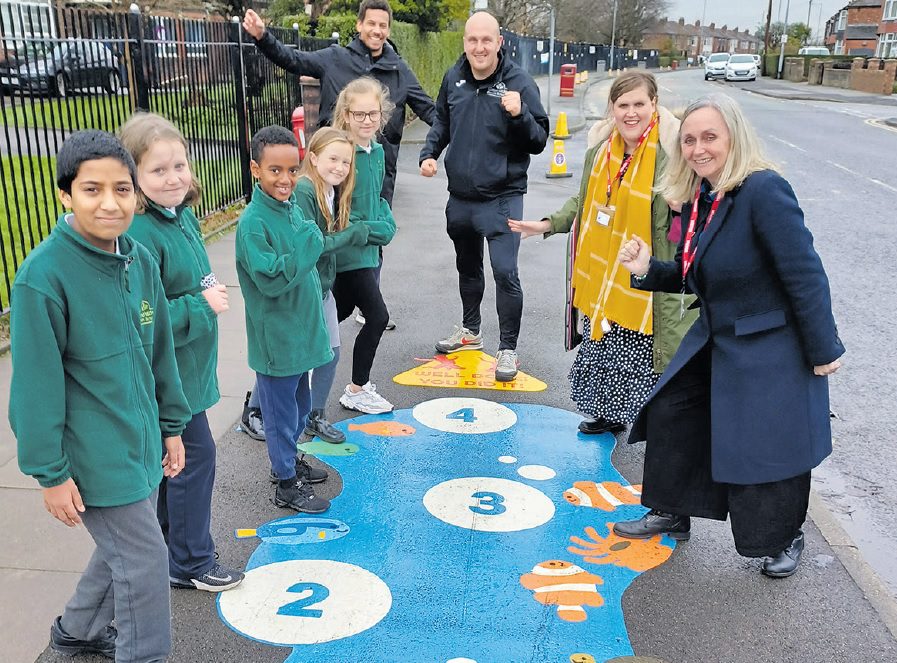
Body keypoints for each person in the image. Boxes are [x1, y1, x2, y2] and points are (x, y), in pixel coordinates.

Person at [614, 94, 844, 578]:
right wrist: (646, 269)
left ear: (734, 138)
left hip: (768, 346)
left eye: (710, 137)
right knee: (673, 410)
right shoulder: (706, 196)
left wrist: (824, 350)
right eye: (690, 139)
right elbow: (698, 271)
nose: (699, 148)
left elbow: (805, 275)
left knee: (768, 447)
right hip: (718, 336)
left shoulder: (763, 190)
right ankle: (672, 511)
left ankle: (784, 537)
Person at [9, 130, 191, 660]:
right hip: (92, 455)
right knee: (143, 562)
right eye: (91, 190)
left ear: (136, 194)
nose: (109, 203)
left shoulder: (138, 259)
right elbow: (35, 388)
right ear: (65, 195)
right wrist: (52, 472)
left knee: (126, 547)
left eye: (122, 189)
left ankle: (80, 629)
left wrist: (172, 425)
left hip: (138, 438)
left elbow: (158, 352)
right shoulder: (42, 278)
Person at [508, 71, 695, 433]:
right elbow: (585, 201)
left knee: (644, 352)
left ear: (654, 105)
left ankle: (652, 426)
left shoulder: (672, 154)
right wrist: (547, 224)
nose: (631, 113)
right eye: (623, 105)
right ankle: (610, 414)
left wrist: (681, 208)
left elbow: (694, 212)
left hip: (647, 276)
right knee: (607, 345)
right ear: (612, 108)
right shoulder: (601, 150)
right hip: (605, 272)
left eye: (639, 104)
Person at [121, 112, 244, 593]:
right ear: (133, 177)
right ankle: (190, 560)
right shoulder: (141, 236)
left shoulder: (182, 215)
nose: (173, 178)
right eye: (157, 170)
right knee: (196, 458)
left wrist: (209, 287)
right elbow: (141, 318)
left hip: (188, 368)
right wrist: (200, 305)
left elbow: (197, 268)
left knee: (176, 464)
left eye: (179, 165)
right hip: (166, 376)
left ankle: (171, 547)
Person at [420, 10, 549, 382]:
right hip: (460, 196)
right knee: (467, 266)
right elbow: (442, 120)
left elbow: (539, 140)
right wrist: (429, 153)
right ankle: (471, 331)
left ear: (499, 43)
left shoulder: (519, 82)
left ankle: (507, 349)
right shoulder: (453, 77)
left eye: (486, 40)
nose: (479, 47)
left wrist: (520, 113)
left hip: (502, 196)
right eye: (473, 40)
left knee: (505, 272)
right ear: (465, 43)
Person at [242, 0, 435, 204]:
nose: (377, 31)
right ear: (359, 25)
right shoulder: (335, 58)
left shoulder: (399, 70)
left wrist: (454, 136)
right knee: (332, 228)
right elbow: (294, 59)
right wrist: (262, 37)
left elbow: (430, 110)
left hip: (377, 177)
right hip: (332, 173)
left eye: (382, 25)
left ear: (388, 30)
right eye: (371, 23)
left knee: (375, 231)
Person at [236, 125, 332, 514]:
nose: (285, 179)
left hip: (300, 334)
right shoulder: (253, 223)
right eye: (275, 170)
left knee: (299, 405)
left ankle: (290, 460)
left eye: (292, 170)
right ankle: (285, 481)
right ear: (256, 169)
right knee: (278, 414)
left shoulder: (290, 208)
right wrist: (309, 247)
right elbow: (273, 278)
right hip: (277, 338)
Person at [294, 127, 371, 442]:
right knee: (293, 359)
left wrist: (372, 228)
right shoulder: (304, 190)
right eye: (333, 159)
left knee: (331, 352)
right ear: (313, 157)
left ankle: (315, 415)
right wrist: (351, 235)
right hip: (302, 289)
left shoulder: (331, 189)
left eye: (345, 162)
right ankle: (256, 409)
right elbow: (311, 245)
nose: (340, 167)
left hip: (321, 287)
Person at [330, 76, 397, 414]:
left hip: (369, 253)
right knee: (377, 316)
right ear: (346, 116)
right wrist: (376, 229)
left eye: (373, 113)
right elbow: (340, 213)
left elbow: (380, 199)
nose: (367, 120)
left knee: (329, 316)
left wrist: (386, 221)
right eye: (359, 115)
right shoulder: (342, 156)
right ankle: (357, 388)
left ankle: (284, 378)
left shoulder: (378, 151)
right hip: (348, 254)